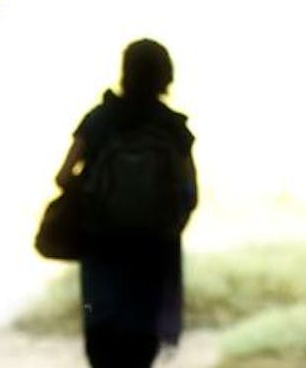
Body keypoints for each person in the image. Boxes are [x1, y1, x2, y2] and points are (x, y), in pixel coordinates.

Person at [53, 38, 198, 367]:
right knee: (140, 346)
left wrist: (90, 192)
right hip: (154, 249)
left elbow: (62, 177)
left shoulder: (99, 119)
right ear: (166, 75)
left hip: (101, 245)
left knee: (102, 343)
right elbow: (190, 194)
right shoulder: (173, 126)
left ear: (125, 71)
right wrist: (167, 227)